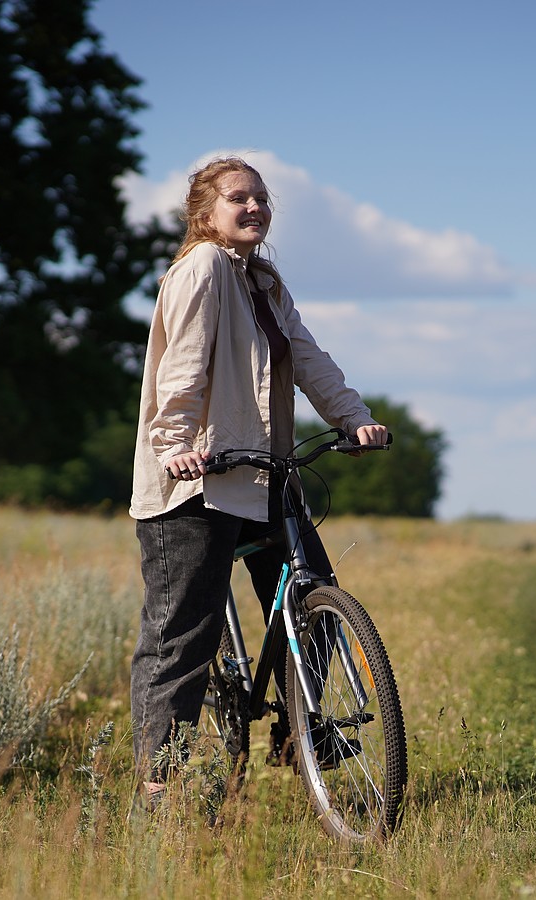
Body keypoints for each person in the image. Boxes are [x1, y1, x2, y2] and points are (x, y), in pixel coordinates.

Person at [128, 157, 387, 806]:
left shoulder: (263, 281)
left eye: (262, 200)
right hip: (197, 483)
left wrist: (353, 418)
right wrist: (176, 445)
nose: (254, 209)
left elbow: (307, 357)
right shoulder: (205, 268)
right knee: (182, 636)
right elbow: (180, 370)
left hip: (263, 478)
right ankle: (160, 790)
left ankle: (302, 732)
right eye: (238, 198)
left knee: (318, 601)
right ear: (205, 212)